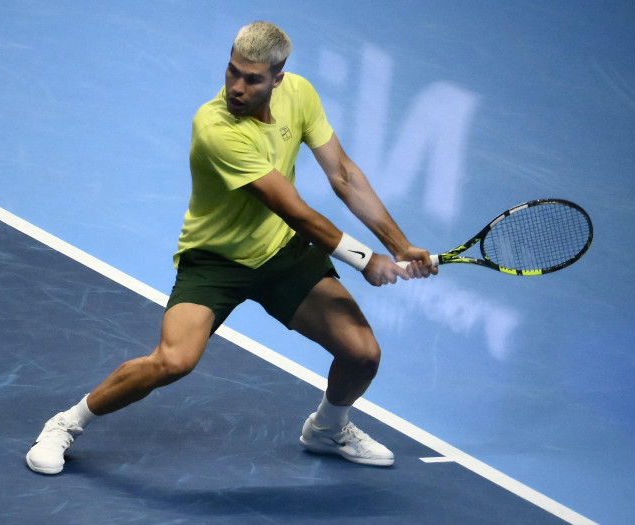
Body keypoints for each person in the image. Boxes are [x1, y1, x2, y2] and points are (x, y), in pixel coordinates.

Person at [25, 21, 436, 475]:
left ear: (278, 78)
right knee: (174, 360)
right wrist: (365, 259)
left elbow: (343, 175)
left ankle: (326, 428)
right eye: (232, 72)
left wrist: (399, 246)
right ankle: (65, 424)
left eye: (252, 78)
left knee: (362, 355)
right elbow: (295, 211)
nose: (236, 88)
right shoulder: (215, 127)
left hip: (282, 255)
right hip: (216, 261)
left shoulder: (300, 94)